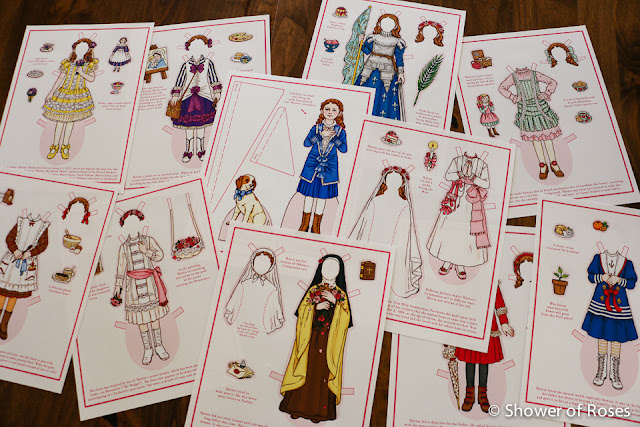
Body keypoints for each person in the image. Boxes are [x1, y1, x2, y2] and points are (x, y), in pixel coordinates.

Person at [280, 254, 352, 422]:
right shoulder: (313, 290)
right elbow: (302, 312)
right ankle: (296, 407)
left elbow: (345, 319)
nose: (329, 271)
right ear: (320, 268)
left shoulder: (340, 294)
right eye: (326, 266)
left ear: (339, 271)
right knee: (307, 367)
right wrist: (315, 307)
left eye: (334, 268)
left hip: (328, 341)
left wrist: (335, 302)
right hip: (311, 339)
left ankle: (319, 412)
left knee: (322, 372)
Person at [349, 166, 422, 297]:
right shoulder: (380, 201)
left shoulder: (402, 205)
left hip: (383, 242)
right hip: (381, 242)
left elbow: (406, 232)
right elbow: (365, 223)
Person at [427, 153, 490, 279]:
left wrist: (474, 178)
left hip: (471, 203)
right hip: (455, 199)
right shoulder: (457, 160)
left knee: (465, 233)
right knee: (449, 230)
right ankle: (447, 261)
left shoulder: (482, 164)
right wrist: (459, 175)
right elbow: (448, 175)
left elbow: (486, 183)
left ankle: (460, 264)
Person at [112, 232, 170, 365]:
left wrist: (146, 252)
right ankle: (148, 349)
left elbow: (160, 255)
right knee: (141, 320)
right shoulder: (124, 247)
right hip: (133, 287)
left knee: (154, 317)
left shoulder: (148, 240)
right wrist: (118, 287)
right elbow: (121, 267)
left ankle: (159, 346)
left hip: (149, 283)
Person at [582, 250, 637, 390]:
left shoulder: (627, 262)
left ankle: (614, 374)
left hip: (619, 305)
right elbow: (590, 277)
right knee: (602, 335)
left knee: (616, 337)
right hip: (600, 303)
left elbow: (632, 284)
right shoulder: (598, 258)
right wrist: (602, 277)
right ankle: (601, 372)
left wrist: (619, 280)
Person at [455, 285, 514, 413]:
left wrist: (504, 323)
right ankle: (469, 395)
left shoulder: (492, 279)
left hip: (487, 325)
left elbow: (498, 302)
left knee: (484, 361)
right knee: (470, 360)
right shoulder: (468, 280)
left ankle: (483, 395)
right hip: (469, 322)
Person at [498, 68, 563, 179]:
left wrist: (547, 93)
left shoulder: (534, 74)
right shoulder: (513, 76)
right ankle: (543, 165)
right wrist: (513, 97)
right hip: (526, 111)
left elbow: (552, 82)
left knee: (547, 137)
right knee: (535, 139)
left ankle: (554, 163)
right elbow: (501, 88)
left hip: (541, 109)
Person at [295, 99, 347, 234]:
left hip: (329, 166)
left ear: (339, 113)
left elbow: (344, 149)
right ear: (322, 111)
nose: (330, 112)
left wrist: (334, 139)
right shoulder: (316, 128)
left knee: (322, 197)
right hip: (312, 164)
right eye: (327, 109)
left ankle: (316, 227)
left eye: (334, 110)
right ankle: (304, 225)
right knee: (309, 195)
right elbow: (306, 143)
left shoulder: (340, 131)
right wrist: (320, 136)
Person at [42, 38, 98, 160]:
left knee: (70, 122)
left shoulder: (89, 64)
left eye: (83, 49)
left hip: (78, 96)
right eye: (78, 48)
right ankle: (55, 146)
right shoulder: (68, 63)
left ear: (88, 50)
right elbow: (61, 78)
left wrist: (82, 73)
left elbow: (91, 78)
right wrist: (51, 92)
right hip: (64, 94)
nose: (80, 51)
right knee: (60, 121)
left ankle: (65, 146)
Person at [169, 35, 221, 162]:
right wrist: (175, 95)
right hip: (188, 99)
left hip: (204, 98)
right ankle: (188, 151)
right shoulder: (186, 65)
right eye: (194, 47)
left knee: (201, 127)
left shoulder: (208, 63)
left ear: (205, 47)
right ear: (189, 48)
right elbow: (180, 80)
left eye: (200, 46)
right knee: (189, 128)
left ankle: (201, 150)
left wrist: (216, 92)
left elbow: (213, 78)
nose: (197, 49)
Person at [0, 214, 50, 339]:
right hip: (12, 260)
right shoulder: (21, 222)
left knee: (14, 295)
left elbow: (43, 245)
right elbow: (10, 237)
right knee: (2, 292)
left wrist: (30, 253)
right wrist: (15, 250)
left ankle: (4, 324)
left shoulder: (43, 226)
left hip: (26, 263)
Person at [355, 14, 406, 120]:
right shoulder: (373, 37)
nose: (386, 25)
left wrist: (401, 73)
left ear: (395, 26)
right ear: (379, 23)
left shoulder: (397, 41)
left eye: (390, 23)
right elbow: (366, 51)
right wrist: (361, 42)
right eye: (384, 22)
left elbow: (399, 57)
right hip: (370, 68)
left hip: (388, 71)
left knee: (385, 95)